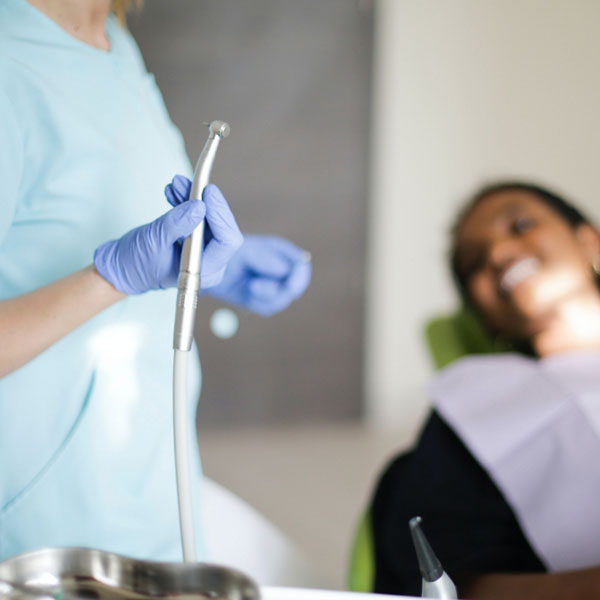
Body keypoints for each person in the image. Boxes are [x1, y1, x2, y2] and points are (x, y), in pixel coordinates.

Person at [0, 0, 311, 562]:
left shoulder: (114, 47)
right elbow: (118, 266)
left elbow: (106, 222)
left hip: (147, 487)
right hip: (42, 529)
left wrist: (209, 268)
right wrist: (111, 276)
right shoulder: (9, 57)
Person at [369, 181, 600, 599]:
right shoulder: (473, 416)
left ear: (590, 241)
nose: (497, 255)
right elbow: (450, 585)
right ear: (485, 319)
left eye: (520, 224)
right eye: (473, 263)